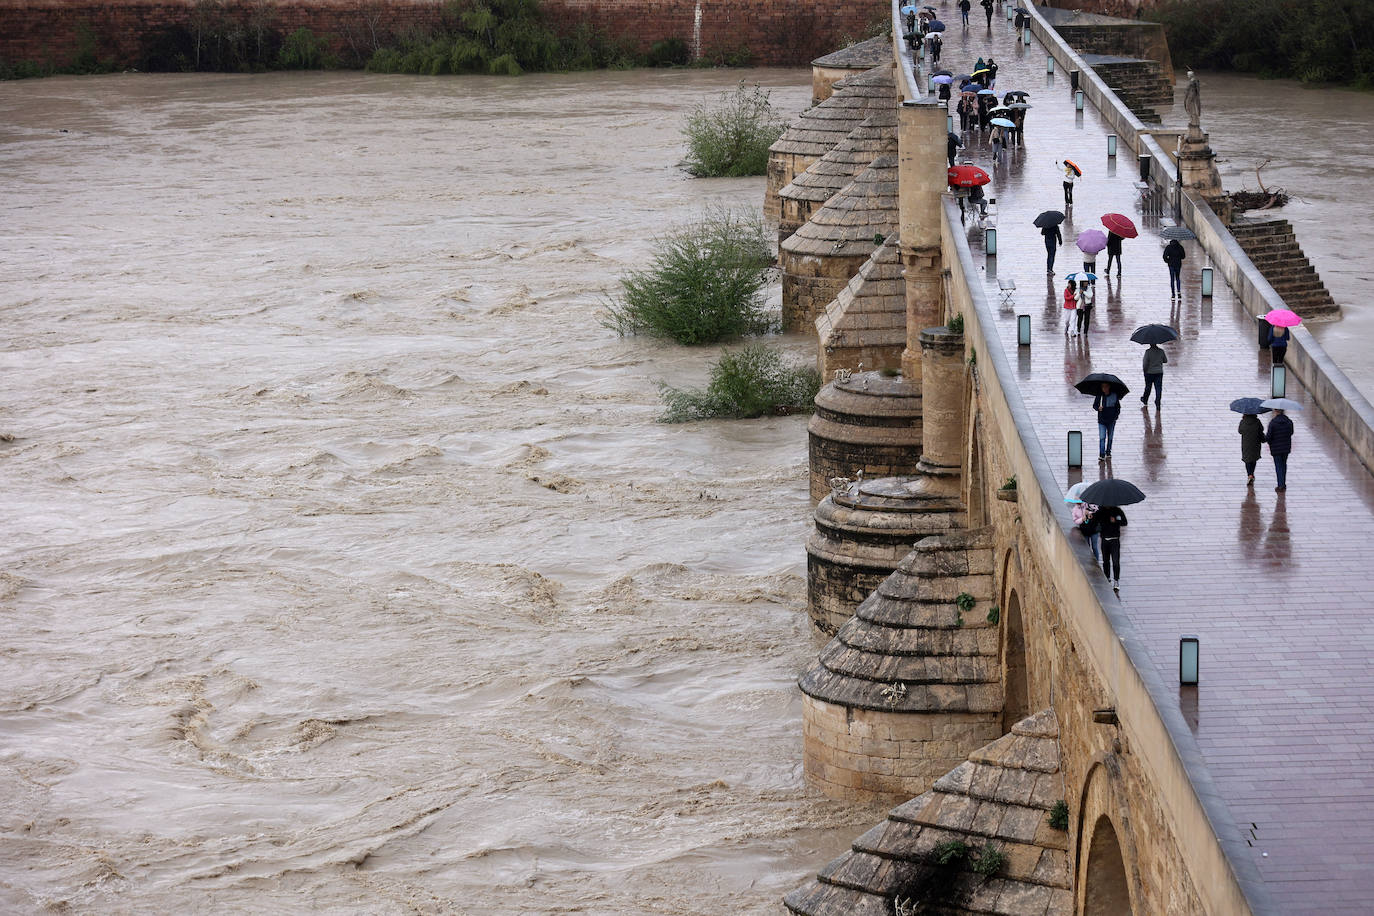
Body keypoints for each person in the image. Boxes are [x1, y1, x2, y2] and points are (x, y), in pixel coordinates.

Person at [1097, 504, 1128, 591]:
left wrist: (1116, 521)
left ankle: (1116, 580)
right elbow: (1095, 521)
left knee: (1115, 562)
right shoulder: (1100, 511)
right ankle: (1107, 578)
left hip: (1115, 540)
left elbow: (1125, 522)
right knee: (1106, 561)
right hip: (1104, 540)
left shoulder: (1117, 511)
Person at [1266, 407, 1293, 491]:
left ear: (1276, 411)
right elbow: (1291, 432)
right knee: (1284, 465)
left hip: (1276, 448)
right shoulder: (1289, 422)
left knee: (1278, 466)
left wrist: (1267, 441)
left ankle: (1280, 485)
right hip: (1286, 447)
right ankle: (1283, 483)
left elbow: (1269, 436)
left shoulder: (1273, 423)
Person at [1093, 381, 1120, 460]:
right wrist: (1098, 408)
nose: (1104, 388)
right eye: (1102, 387)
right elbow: (1094, 405)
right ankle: (1102, 454)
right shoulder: (1099, 396)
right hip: (1102, 420)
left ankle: (1108, 451)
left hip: (1111, 420)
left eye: (1105, 386)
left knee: (1110, 437)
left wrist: (1115, 416)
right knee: (1102, 437)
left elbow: (1118, 407)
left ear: (1109, 387)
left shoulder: (1114, 396)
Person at [1238, 412, 1265, 486]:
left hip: (1246, 444)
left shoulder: (1243, 421)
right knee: (1253, 459)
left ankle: (1249, 475)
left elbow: (1240, 431)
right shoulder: (1257, 421)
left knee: (1247, 459)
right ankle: (1252, 473)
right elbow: (1261, 429)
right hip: (1255, 443)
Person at [1141, 342, 1166, 407]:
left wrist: (1145, 371)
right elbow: (1165, 360)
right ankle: (1158, 401)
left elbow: (1145, 363)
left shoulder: (1148, 352)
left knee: (1148, 387)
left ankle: (1145, 399)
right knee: (1158, 388)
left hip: (1149, 372)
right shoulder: (1161, 351)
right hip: (1159, 372)